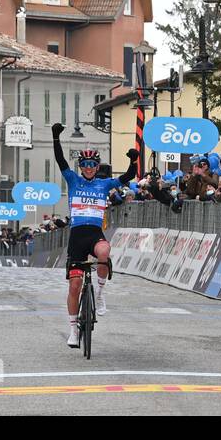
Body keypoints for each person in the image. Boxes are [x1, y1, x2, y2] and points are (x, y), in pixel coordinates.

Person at [51, 122, 137, 347]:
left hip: (94, 233)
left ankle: (99, 293)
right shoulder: (73, 180)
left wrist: (133, 159)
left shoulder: (104, 183)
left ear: (98, 166)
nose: (89, 167)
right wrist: (55, 137)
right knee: (75, 285)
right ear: (80, 166)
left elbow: (128, 176)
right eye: (85, 164)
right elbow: (60, 160)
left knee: (105, 251)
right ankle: (73, 330)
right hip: (77, 237)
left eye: (92, 164)